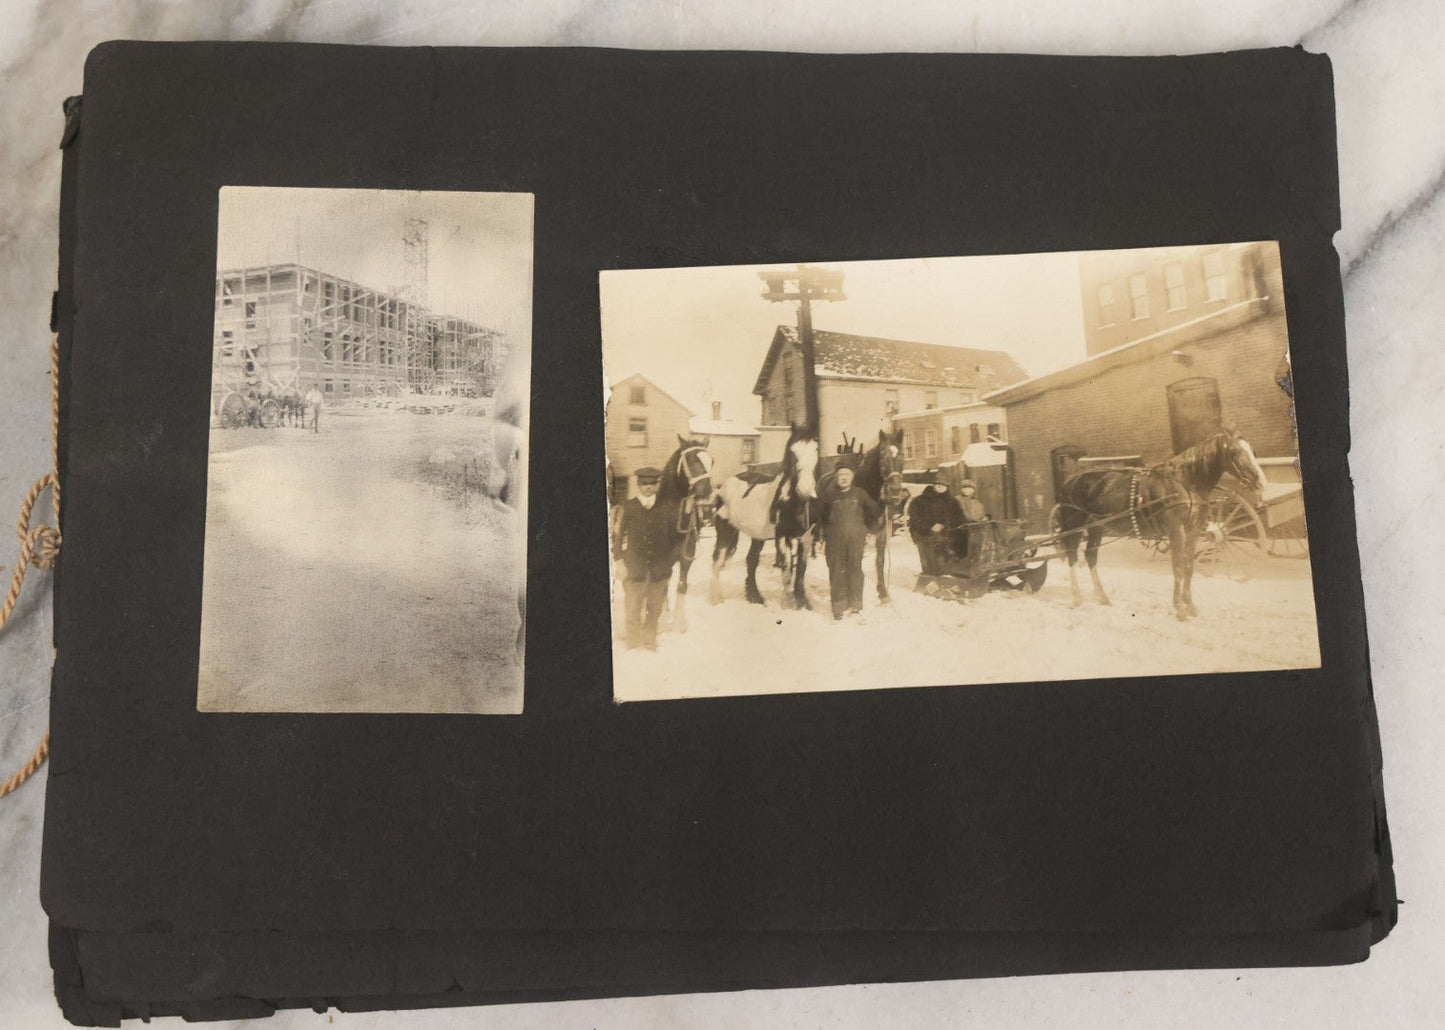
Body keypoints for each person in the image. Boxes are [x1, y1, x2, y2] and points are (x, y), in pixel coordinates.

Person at [611, 467, 674, 650]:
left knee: (654, 609)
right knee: (632, 609)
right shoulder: (628, 506)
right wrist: (620, 560)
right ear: (638, 485)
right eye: (644, 483)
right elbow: (618, 535)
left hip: (659, 570)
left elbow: (672, 537)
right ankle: (633, 643)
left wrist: (668, 562)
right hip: (634, 568)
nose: (648, 487)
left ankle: (649, 641)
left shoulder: (665, 506)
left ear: (657, 485)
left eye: (652, 483)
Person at [821, 464, 882, 620]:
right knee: (836, 571)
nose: (844, 477)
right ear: (836, 477)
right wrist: (820, 536)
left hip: (856, 539)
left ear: (852, 477)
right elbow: (820, 517)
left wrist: (869, 529)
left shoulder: (860, 494)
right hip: (834, 540)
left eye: (847, 474)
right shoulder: (828, 496)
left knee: (855, 569)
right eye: (841, 474)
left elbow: (874, 511)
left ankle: (855, 605)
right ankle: (839, 608)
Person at [906, 470, 967, 575]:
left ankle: (953, 572)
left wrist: (947, 526)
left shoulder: (952, 501)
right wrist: (930, 527)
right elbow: (915, 519)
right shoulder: (920, 501)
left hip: (946, 532)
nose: (941, 487)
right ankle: (931, 575)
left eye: (944, 485)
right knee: (932, 553)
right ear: (933, 485)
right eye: (938, 485)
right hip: (924, 534)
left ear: (947, 487)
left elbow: (960, 517)